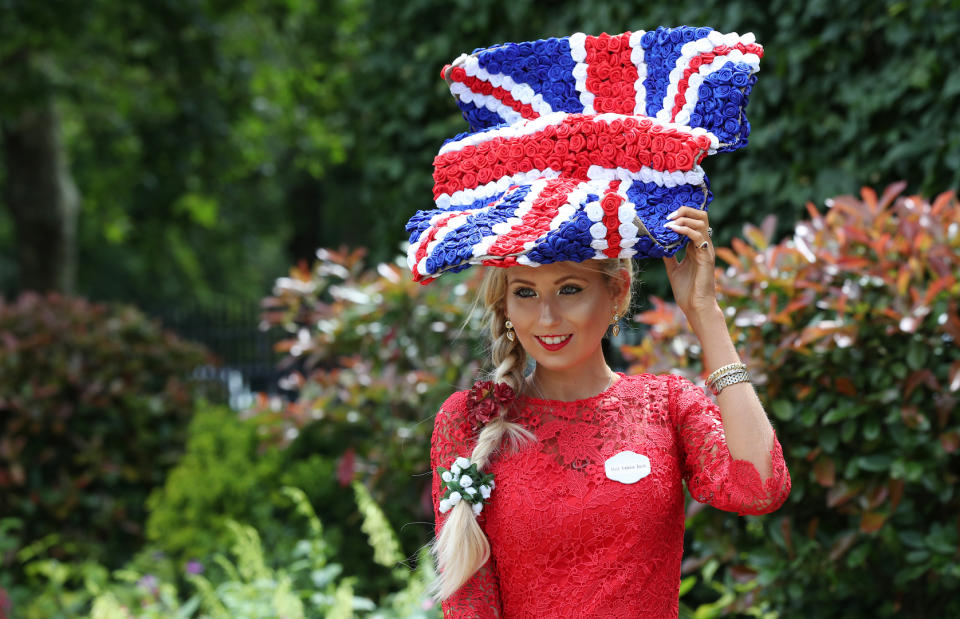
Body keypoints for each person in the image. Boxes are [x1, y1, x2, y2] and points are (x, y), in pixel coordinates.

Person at [403, 26, 791, 618]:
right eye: (526, 293)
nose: (548, 316)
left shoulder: (667, 406)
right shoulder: (471, 422)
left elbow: (758, 487)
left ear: (616, 293)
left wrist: (704, 314)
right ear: (504, 306)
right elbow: (469, 605)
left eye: (570, 289)